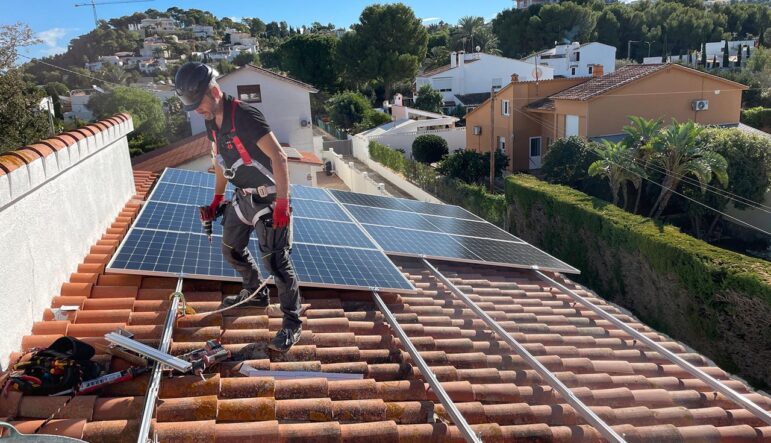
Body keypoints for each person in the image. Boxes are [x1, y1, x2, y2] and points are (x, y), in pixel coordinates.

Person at [174, 62, 302, 352]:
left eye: (199, 104)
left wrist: (282, 204)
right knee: (230, 248)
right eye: (191, 106)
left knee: (276, 262)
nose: (197, 111)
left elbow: (279, 158)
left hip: (270, 198)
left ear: (215, 91)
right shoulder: (211, 122)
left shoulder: (244, 115)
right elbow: (220, 164)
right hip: (242, 197)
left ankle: (292, 322)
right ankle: (255, 292)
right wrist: (217, 200)